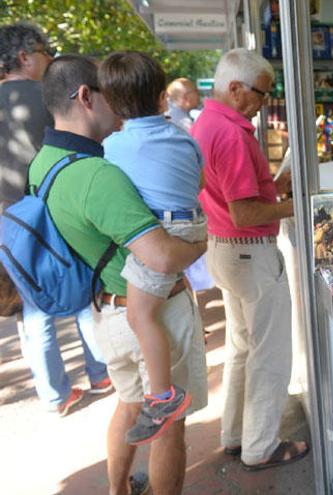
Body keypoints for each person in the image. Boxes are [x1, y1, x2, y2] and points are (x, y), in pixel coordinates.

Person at [34, 55, 207, 495]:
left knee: (128, 405)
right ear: (87, 97)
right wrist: (203, 245)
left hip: (105, 311)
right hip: (151, 313)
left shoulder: (45, 163)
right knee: (168, 427)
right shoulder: (100, 174)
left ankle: (118, 489)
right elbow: (164, 256)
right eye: (108, 92)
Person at [192, 48, 308, 471]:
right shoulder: (233, 135)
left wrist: (275, 186)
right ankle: (262, 446)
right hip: (250, 250)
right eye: (262, 93)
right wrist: (297, 206)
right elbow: (247, 212)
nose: (264, 103)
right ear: (236, 88)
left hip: (224, 247)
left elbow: (237, 198)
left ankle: (236, 435)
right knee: (269, 354)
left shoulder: (206, 124)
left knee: (242, 347)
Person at [0, 22, 111, 416]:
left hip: (8, 223)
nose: (49, 62)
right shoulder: (45, 97)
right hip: (50, 209)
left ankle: (53, 394)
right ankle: (101, 372)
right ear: (25, 56)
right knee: (83, 287)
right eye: (46, 54)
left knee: (32, 307)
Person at [100, 51, 207, 445]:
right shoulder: (182, 136)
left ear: (109, 103)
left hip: (162, 226)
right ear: (163, 98)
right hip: (192, 219)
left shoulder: (112, 148)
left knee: (139, 314)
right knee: (157, 304)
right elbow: (200, 183)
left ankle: (162, 396)